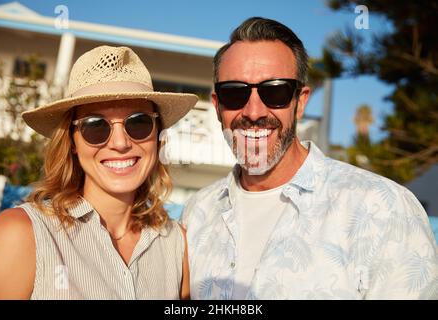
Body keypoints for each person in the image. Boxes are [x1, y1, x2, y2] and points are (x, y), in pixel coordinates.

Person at [181, 17, 438, 300]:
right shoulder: (197, 214)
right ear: (217, 106)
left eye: (275, 91)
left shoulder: (382, 209)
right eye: (234, 93)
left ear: (300, 101)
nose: (254, 112)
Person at [0, 45, 198, 299]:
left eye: (138, 123)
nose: (120, 143)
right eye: (95, 126)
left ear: (157, 136)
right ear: (72, 142)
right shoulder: (21, 234)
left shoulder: (178, 245)